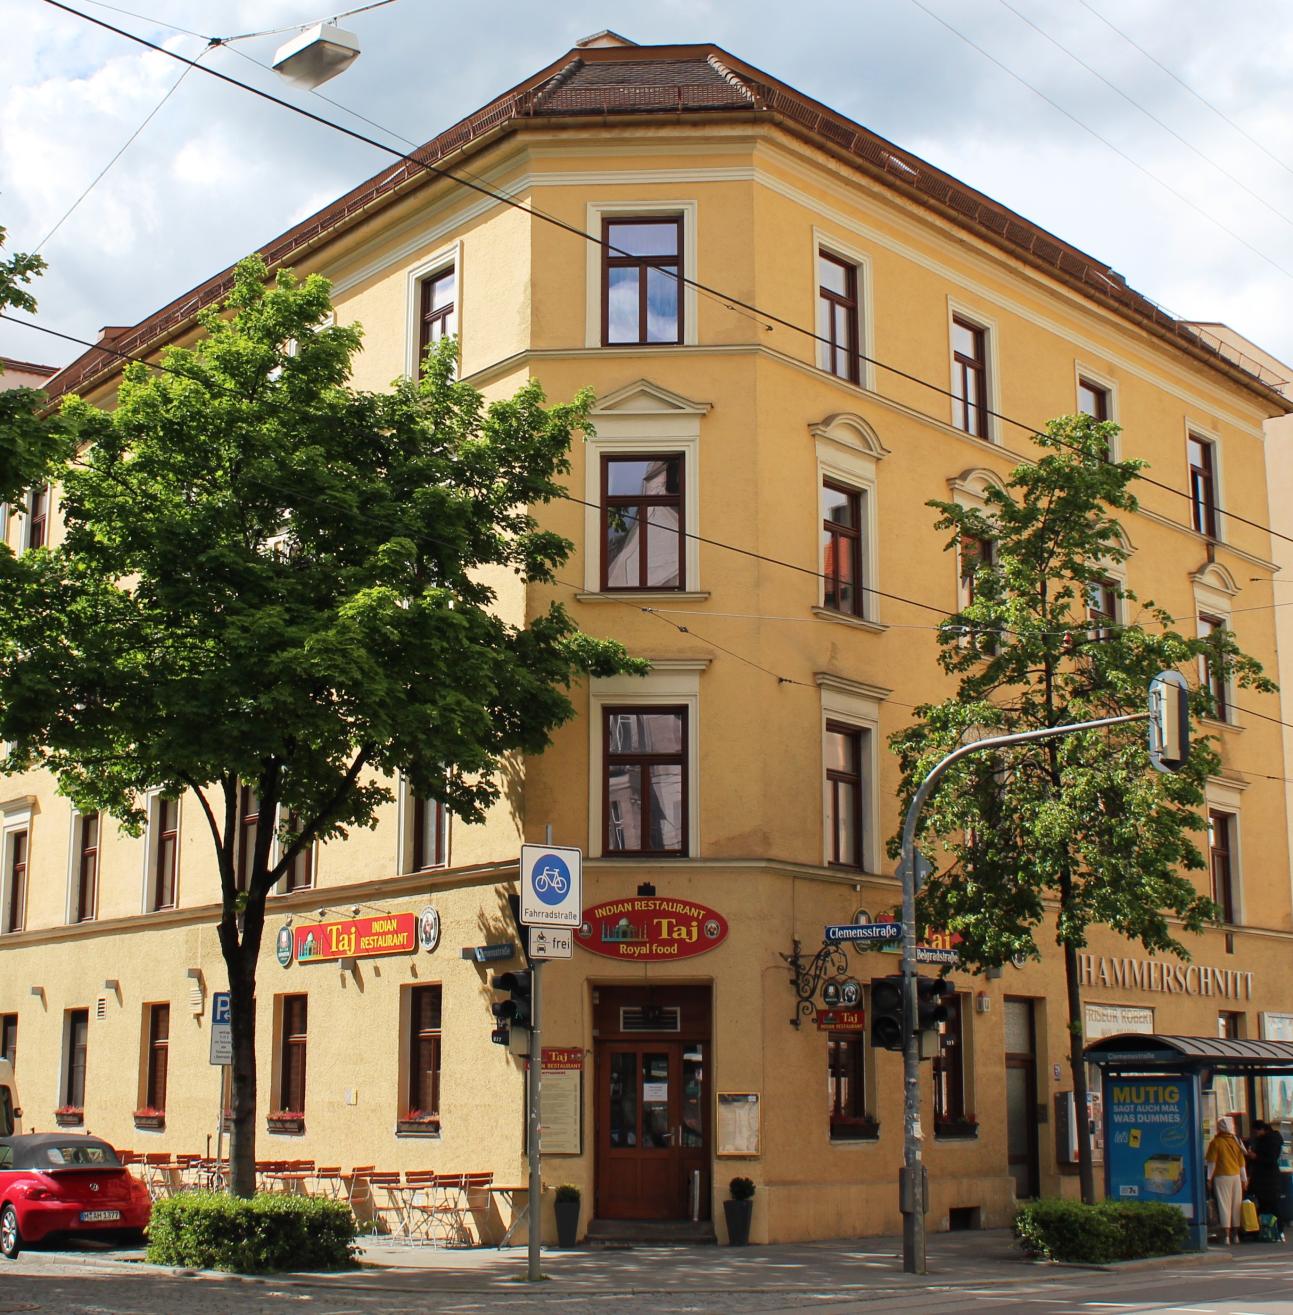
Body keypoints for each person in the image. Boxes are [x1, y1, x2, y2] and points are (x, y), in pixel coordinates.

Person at [1206, 1115, 1249, 1244]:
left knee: (1224, 1205)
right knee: (1236, 1205)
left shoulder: (1216, 1142)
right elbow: (1241, 1163)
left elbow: (1212, 1162)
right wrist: (1244, 1179)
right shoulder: (1236, 1141)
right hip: (1236, 1176)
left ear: (1219, 1128)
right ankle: (1236, 1235)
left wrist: (1209, 1179)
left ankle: (1226, 1236)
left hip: (1221, 1176)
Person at [1247, 1118, 1285, 1234]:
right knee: (1266, 1205)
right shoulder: (1265, 1140)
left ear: (1262, 1129)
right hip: (1266, 1179)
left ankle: (1277, 1230)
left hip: (1268, 1180)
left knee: (1272, 1205)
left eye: (1256, 1132)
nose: (1255, 1135)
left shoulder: (1270, 1141)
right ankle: (1268, 1230)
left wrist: (1255, 1157)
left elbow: (1270, 1159)